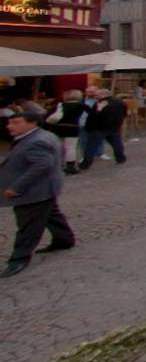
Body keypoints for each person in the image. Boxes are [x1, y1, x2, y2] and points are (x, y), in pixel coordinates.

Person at [0, 110, 75, 278]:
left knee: (28, 226)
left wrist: (16, 187)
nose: (10, 126)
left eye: (16, 123)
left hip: (34, 191)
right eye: (10, 123)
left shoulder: (36, 141)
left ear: (32, 123)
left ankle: (18, 259)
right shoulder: (44, 136)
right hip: (46, 188)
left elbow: (41, 166)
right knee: (51, 215)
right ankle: (64, 240)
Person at [79, 90, 126, 170]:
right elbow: (124, 113)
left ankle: (85, 164)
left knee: (91, 146)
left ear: (103, 95)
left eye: (98, 94)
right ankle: (120, 157)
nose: (96, 96)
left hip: (99, 127)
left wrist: (88, 127)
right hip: (113, 126)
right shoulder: (120, 102)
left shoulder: (101, 103)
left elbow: (94, 116)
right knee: (116, 143)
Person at [43, 90, 86, 175]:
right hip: (72, 128)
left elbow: (47, 116)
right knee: (71, 147)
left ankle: (55, 165)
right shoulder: (81, 106)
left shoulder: (59, 105)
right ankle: (70, 167)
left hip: (57, 128)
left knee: (57, 147)